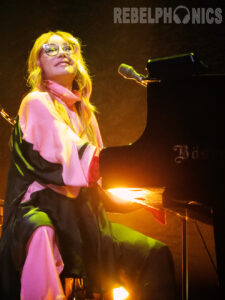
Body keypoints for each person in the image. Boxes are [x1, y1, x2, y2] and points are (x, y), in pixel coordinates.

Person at [0, 31, 177, 300]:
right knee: (41, 231)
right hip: (40, 209)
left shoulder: (86, 114)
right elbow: (70, 153)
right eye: (51, 49)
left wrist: (143, 196)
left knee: (154, 254)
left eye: (69, 48)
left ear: (78, 59)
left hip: (83, 218)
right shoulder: (35, 102)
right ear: (38, 63)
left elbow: (99, 178)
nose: (61, 52)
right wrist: (140, 164)